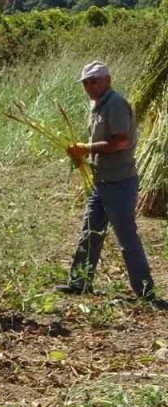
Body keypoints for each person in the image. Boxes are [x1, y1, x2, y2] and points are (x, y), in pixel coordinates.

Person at [56, 61, 164, 307]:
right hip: (102, 182)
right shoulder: (97, 106)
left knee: (126, 238)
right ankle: (80, 282)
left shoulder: (115, 104)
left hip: (119, 183)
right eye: (85, 82)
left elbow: (121, 142)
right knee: (90, 232)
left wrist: (87, 149)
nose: (89, 86)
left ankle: (145, 291)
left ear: (107, 80)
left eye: (93, 81)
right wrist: (85, 154)